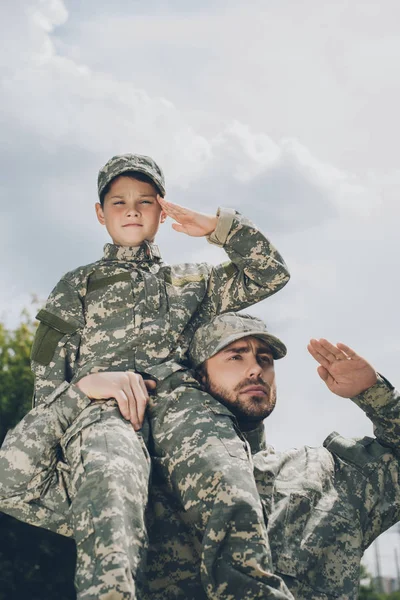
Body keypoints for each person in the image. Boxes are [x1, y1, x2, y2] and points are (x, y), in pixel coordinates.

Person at [0, 154, 293, 600]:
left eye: (145, 200)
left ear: (162, 207)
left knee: (228, 483)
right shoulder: (77, 285)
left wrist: (219, 228)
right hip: (104, 410)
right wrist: (79, 398)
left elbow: (269, 273)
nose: (132, 210)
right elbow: (48, 378)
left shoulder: (193, 280)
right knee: (110, 493)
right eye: (118, 202)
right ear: (101, 213)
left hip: (185, 405)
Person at [142, 312, 400, 600]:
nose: (256, 370)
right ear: (198, 377)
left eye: (264, 359)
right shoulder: (151, 473)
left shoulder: (321, 473)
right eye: (236, 357)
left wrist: (377, 395)